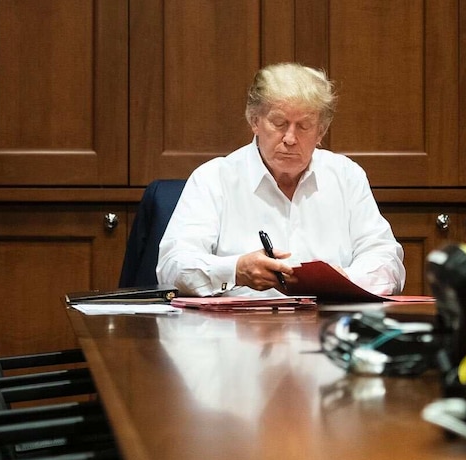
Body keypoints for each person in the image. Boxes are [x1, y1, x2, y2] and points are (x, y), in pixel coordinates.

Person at [156, 62, 405, 297]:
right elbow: (172, 266)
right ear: (254, 121)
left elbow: (386, 259)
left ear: (321, 131)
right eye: (279, 123)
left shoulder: (346, 176)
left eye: (304, 126)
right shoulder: (214, 178)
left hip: (326, 329)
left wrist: (345, 279)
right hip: (237, 333)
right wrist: (236, 270)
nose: (289, 138)